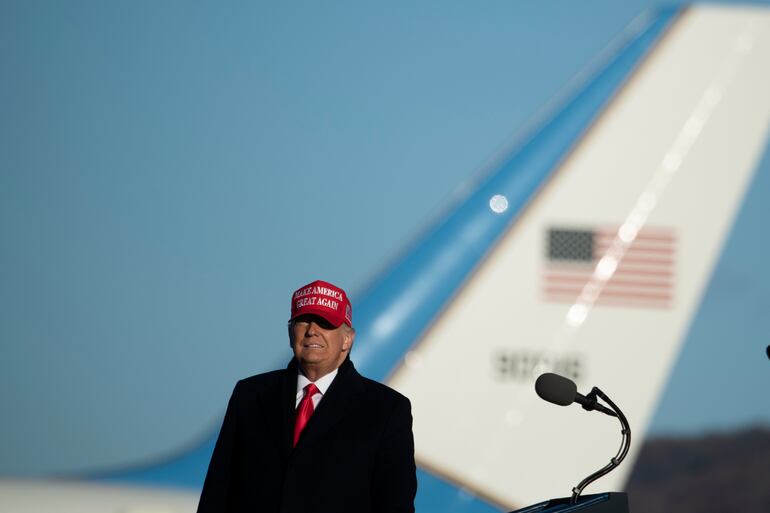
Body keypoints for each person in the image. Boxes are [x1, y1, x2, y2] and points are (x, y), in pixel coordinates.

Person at [197, 279, 417, 513]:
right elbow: (218, 493)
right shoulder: (250, 395)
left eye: (325, 323)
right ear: (290, 332)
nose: (312, 331)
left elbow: (396, 506)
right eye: (303, 321)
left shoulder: (385, 409)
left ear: (347, 338)